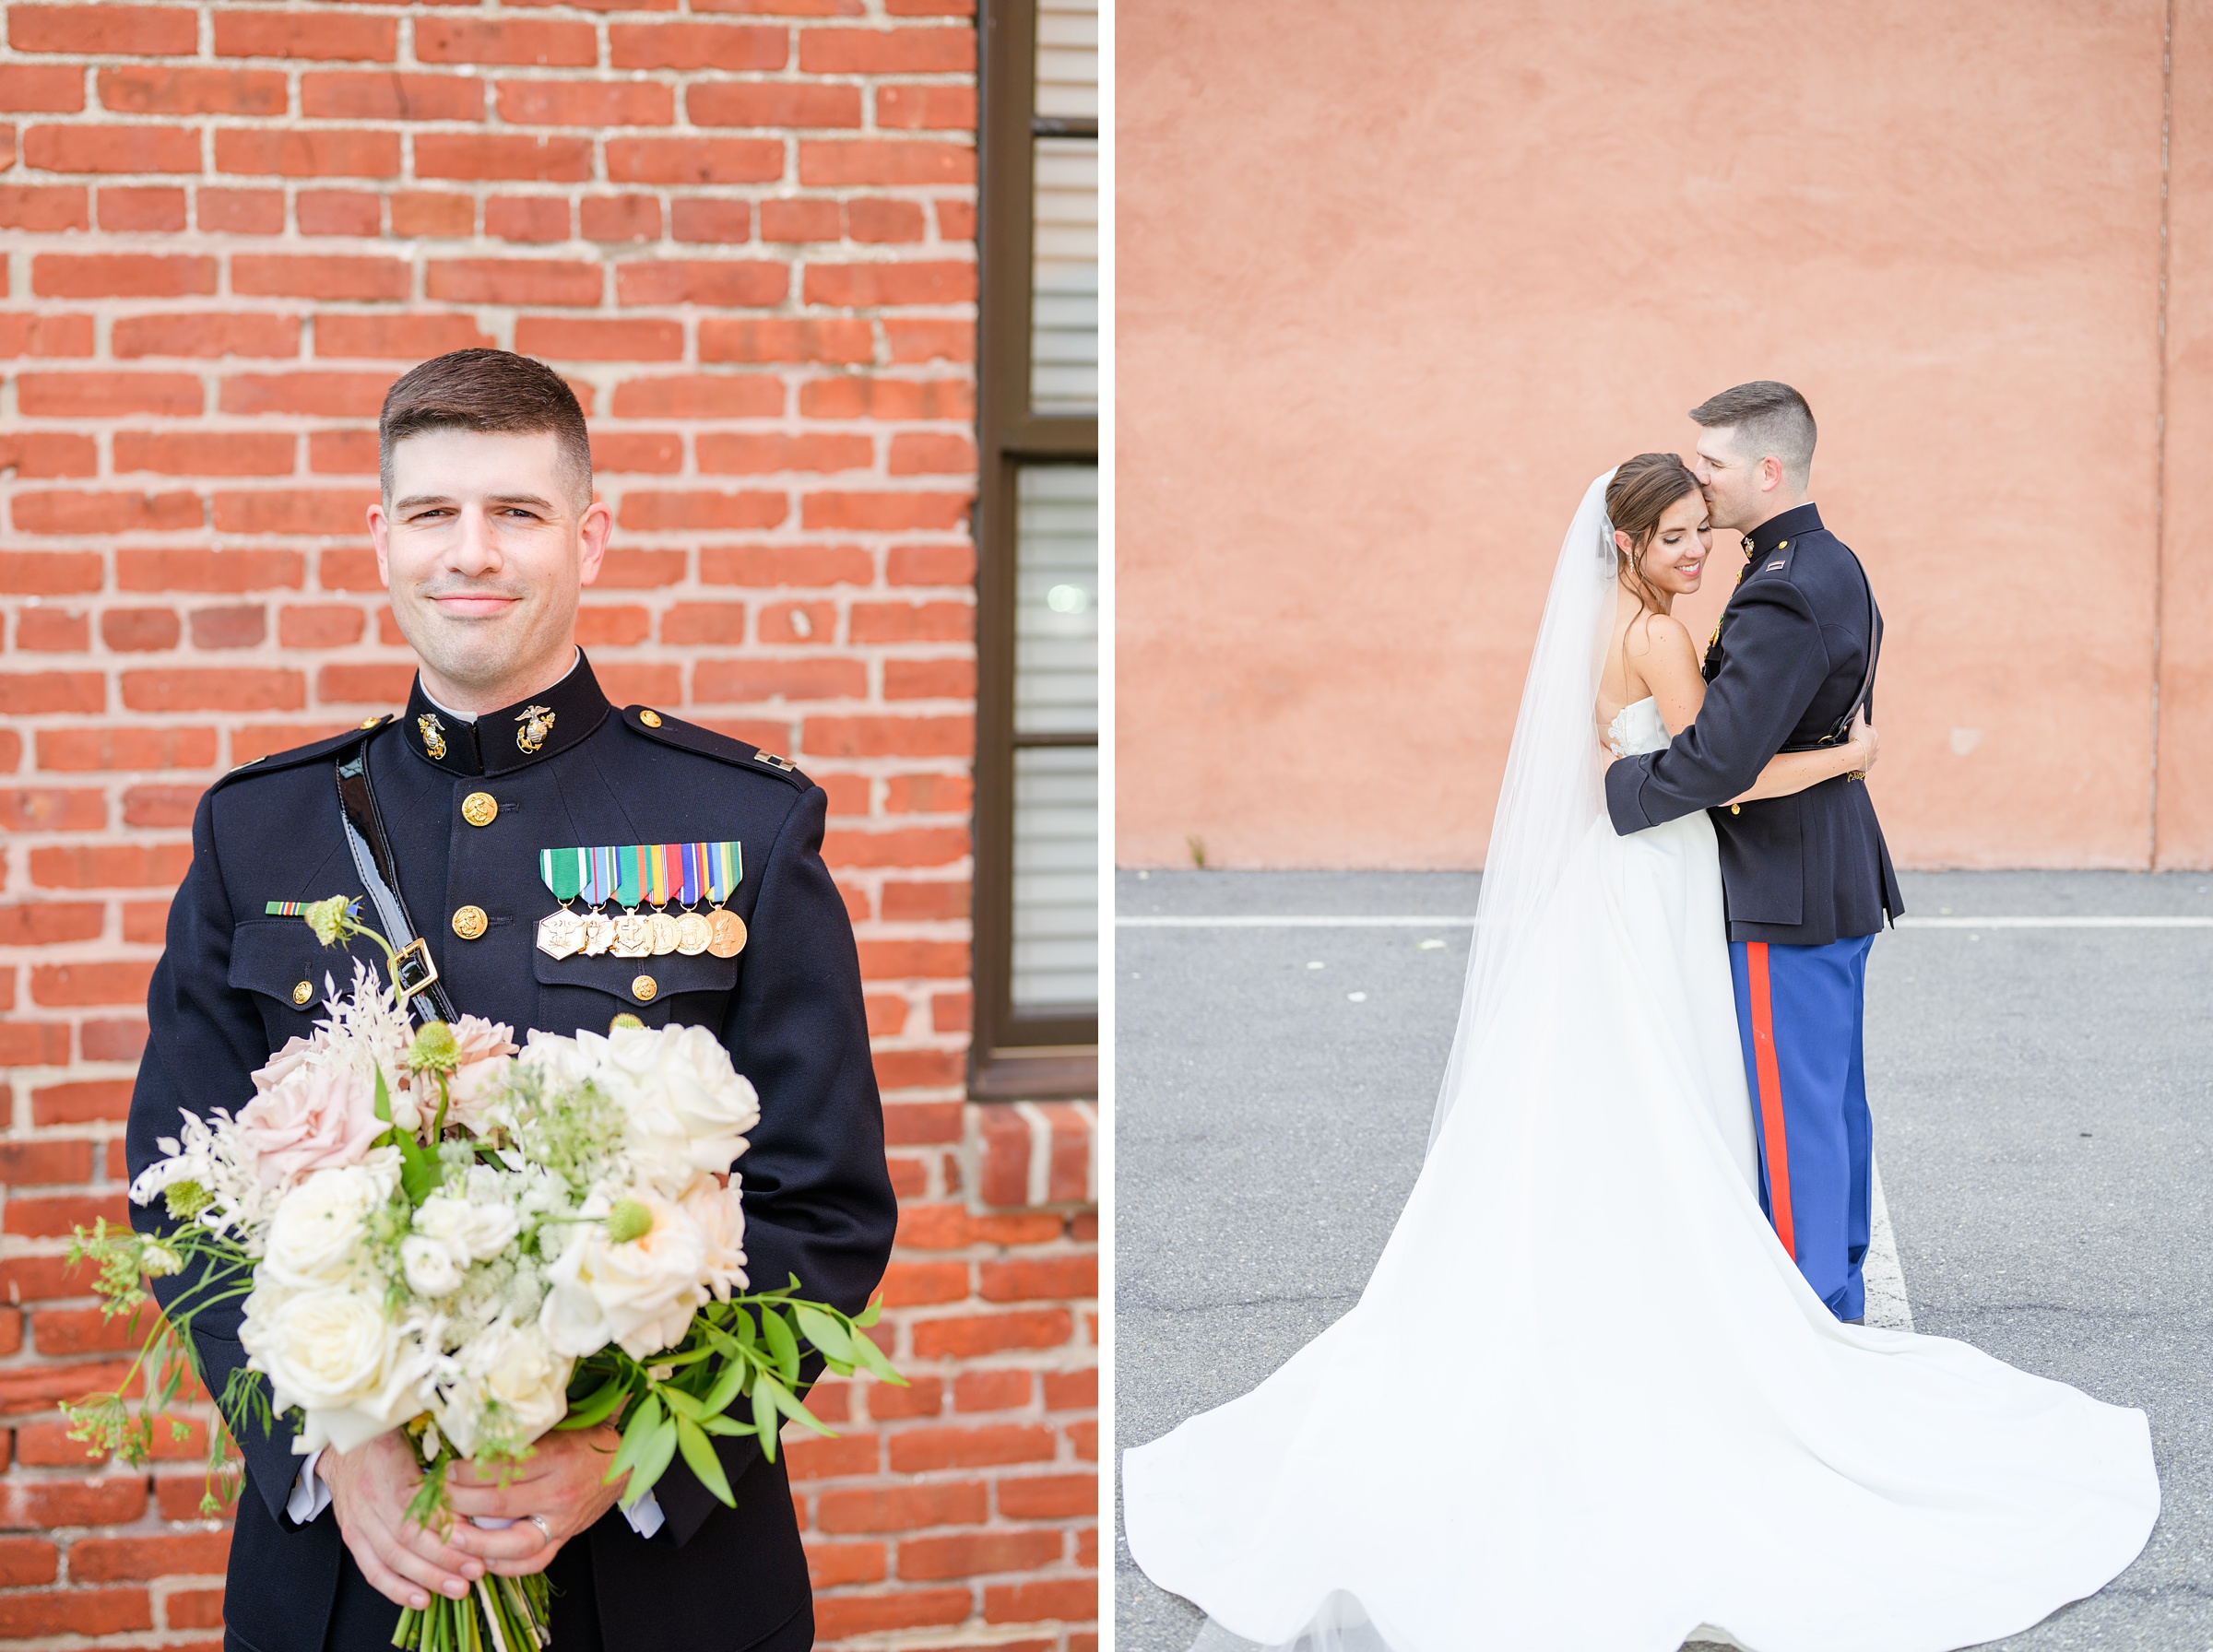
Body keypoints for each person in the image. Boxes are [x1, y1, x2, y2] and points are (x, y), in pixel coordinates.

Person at [1118, 448, 2159, 1651]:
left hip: (1614, 885)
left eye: (1703, 532)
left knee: (1608, 1088)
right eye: (1674, 538)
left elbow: (1621, 771)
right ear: (1626, 547)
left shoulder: (1611, 626)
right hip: (1659, 880)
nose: (1699, 552)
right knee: (1673, 1086)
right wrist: (1852, 757)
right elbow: (1722, 784)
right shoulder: (1660, 640)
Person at [126, 348, 898, 1652]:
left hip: (657, 1590)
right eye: (433, 513)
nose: (468, 553)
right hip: (348, 1579)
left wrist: (622, 1456)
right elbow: (178, 1196)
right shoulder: (260, 836)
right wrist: (333, 1449)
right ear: (380, 538)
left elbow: (824, 1207)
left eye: (517, 514)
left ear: (588, 540)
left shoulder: (737, 826)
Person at [1604, 382, 1901, 1323]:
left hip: (1785, 881)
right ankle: (1838, 1288)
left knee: (1794, 1115)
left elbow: (1720, 766)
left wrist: (1617, 791)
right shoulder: (1829, 559)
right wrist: (1847, 755)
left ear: (1768, 471)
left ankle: (1814, 1317)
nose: (1699, 480)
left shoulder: (1780, 589)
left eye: (1713, 465)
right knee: (1830, 1102)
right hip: (1829, 870)